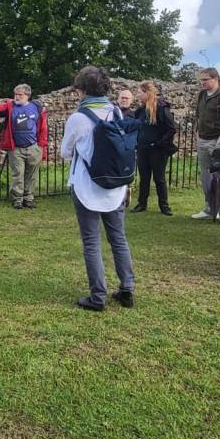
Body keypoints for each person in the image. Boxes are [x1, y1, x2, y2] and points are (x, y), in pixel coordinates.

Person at [60, 65, 135, 311]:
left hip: (87, 186)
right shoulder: (116, 111)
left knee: (91, 241)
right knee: (118, 238)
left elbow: (65, 152)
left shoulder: (78, 118)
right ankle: (127, 288)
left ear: (82, 90)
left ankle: (97, 296)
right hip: (115, 185)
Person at [0, 84, 48, 209]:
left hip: (33, 147)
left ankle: (29, 198)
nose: (16, 97)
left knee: (31, 175)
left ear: (27, 95)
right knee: (18, 174)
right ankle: (17, 199)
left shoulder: (37, 108)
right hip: (16, 148)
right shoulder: (10, 106)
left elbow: (43, 128)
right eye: (15, 94)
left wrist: (41, 147)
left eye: (19, 94)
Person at [192, 68, 220, 225]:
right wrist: (198, 134)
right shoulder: (202, 95)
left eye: (205, 79)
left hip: (218, 141)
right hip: (203, 140)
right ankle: (210, 208)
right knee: (206, 176)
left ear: (216, 78)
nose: (202, 82)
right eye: (201, 80)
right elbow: (198, 116)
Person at [130, 80, 175, 215]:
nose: (138, 95)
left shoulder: (161, 108)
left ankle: (164, 206)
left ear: (147, 93)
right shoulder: (140, 110)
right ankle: (142, 203)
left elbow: (171, 128)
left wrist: (159, 143)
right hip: (142, 148)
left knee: (159, 178)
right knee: (144, 177)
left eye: (140, 92)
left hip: (157, 150)